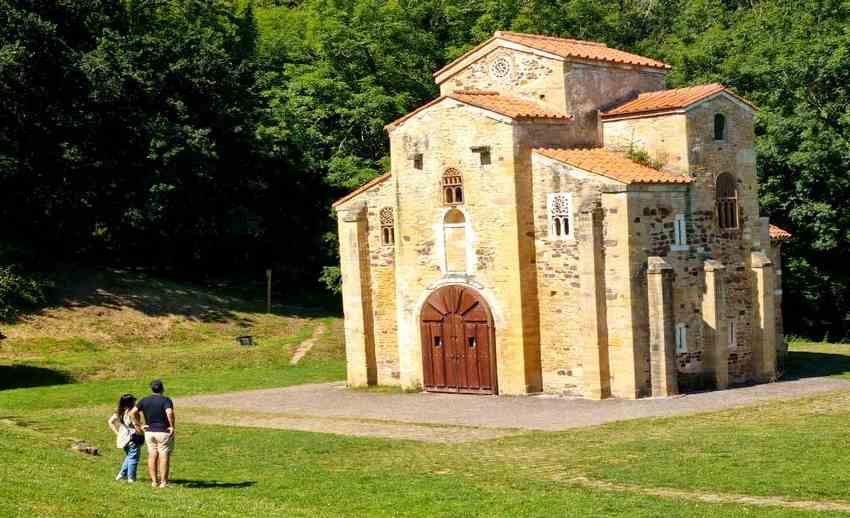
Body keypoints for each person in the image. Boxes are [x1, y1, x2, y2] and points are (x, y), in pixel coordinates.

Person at [129, 379, 175, 488]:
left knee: (152, 455)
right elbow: (169, 412)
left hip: (149, 432)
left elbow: (132, 413)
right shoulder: (166, 400)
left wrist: (139, 424)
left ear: (151, 389)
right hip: (163, 431)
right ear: (162, 388)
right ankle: (163, 482)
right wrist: (172, 426)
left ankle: (154, 482)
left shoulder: (144, 400)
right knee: (163, 456)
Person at [107, 393, 142, 483]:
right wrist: (142, 433)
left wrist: (117, 433)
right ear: (130, 402)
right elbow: (135, 425)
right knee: (133, 458)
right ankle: (131, 478)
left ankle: (121, 474)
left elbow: (110, 421)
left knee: (129, 456)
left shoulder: (119, 411)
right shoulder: (133, 413)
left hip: (122, 437)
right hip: (132, 437)